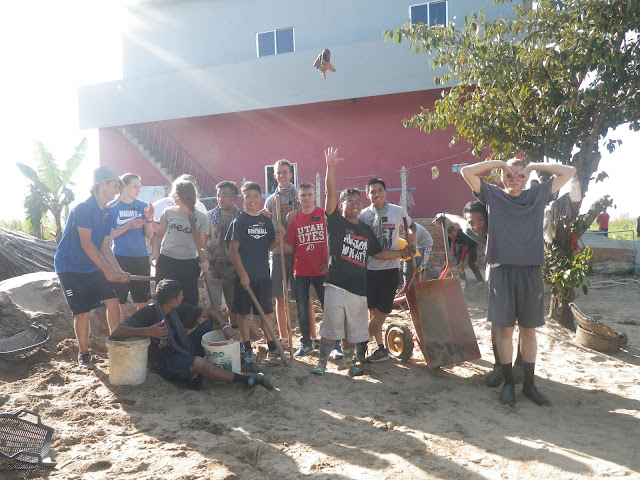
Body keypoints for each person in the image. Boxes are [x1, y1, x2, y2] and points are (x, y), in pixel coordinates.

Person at [461, 158, 576, 406]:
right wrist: (500, 163)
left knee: (528, 330)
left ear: (527, 178)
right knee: (504, 329)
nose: (514, 179)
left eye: (520, 176)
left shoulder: (538, 194)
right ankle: (508, 384)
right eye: (509, 175)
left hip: (530, 271)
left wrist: (533, 167)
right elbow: (466, 171)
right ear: (501, 176)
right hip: (501, 271)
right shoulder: (492, 194)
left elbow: (569, 171)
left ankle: (530, 385)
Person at [311, 147, 410, 377]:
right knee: (331, 329)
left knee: (352, 332)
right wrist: (330, 168)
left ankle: (350, 364)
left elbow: (378, 253)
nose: (355, 205)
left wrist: (402, 253)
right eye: (349, 201)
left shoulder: (365, 229)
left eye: (357, 201)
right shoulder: (335, 222)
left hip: (358, 288)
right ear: (342, 205)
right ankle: (321, 364)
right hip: (336, 285)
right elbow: (330, 194)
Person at [110, 279, 273, 390]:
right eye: (180, 296)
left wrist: (225, 327)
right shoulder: (148, 312)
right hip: (162, 361)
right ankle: (246, 380)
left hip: (182, 346)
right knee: (199, 364)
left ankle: (237, 363)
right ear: (172, 301)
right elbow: (117, 331)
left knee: (214, 324)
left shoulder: (177, 307)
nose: (183, 297)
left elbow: (210, 312)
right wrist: (148, 331)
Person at [435, 201, 525, 388]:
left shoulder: (501, 230)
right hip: (497, 279)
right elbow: (461, 221)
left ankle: (520, 365)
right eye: (472, 221)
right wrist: (444, 215)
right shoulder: (472, 230)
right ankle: (499, 366)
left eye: (480, 220)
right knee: (497, 322)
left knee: (523, 323)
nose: (476, 225)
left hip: (522, 276)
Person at [54, 166, 131, 370]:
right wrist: (107, 272)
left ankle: (116, 344)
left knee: (112, 301)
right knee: (83, 313)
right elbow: (86, 244)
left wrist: (118, 270)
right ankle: (84, 354)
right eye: (115, 186)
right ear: (101, 184)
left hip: (91, 265)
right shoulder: (83, 209)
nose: (117, 191)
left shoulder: (107, 213)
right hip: (70, 267)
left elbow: (105, 246)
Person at [357, 178, 416, 363]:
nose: (377, 194)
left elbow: (411, 226)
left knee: (384, 310)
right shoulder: (363, 216)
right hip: (369, 269)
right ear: (367, 195)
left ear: (385, 192)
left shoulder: (398, 211)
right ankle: (380, 348)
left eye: (380, 190)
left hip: (390, 268)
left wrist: (411, 236)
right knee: (373, 311)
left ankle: (361, 342)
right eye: (372, 191)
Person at [227, 181, 285, 364]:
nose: (252, 200)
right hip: (245, 277)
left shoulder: (266, 221)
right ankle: (247, 349)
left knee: (266, 313)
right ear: (243, 198)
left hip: (263, 275)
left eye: (255, 196)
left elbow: (269, 247)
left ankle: (272, 347)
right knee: (243, 314)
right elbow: (233, 250)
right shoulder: (239, 222)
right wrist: (243, 274)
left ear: (260, 198)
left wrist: (278, 239)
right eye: (248, 196)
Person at [282, 183, 328, 357]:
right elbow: (292, 247)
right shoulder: (294, 220)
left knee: (328, 307)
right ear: (298, 198)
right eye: (303, 195)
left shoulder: (324, 215)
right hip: (300, 271)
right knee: (301, 309)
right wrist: (280, 241)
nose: (307, 198)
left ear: (315, 196)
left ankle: (334, 343)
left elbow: (335, 239)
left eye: (309, 194)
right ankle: (306, 343)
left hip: (322, 270)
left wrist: (330, 261)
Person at [260, 159, 300, 347]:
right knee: (279, 296)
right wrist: (266, 217)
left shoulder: (298, 195)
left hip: (298, 250)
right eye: (279, 172)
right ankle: (284, 337)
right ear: (274, 175)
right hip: (278, 252)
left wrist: (298, 212)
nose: (282, 175)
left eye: (285, 172)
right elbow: (267, 228)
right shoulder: (270, 200)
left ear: (291, 174)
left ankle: (310, 337)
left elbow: (308, 214)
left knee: (303, 296)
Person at [152, 178, 210, 306]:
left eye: (175, 193)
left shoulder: (201, 217)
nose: (172, 196)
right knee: (163, 298)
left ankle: (186, 320)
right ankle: (164, 320)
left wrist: (205, 260)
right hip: (167, 260)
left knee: (189, 299)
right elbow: (158, 236)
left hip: (189, 263)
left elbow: (202, 244)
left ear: (181, 195)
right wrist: (155, 253)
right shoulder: (169, 212)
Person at [109, 173, 154, 321]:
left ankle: (141, 326)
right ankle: (121, 328)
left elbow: (149, 234)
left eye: (139, 187)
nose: (138, 190)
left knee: (142, 298)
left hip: (141, 257)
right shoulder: (112, 207)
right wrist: (128, 226)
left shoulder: (143, 206)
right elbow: (108, 235)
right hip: (120, 257)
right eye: (135, 186)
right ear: (124, 186)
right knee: (119, 299)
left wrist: (148, 219)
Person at [207, 181, 241, 329]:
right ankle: (214, 336)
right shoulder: (209, 217)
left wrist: (237, 271)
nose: (220, 199)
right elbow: (202, 244)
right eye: (218, 195)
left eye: (224, 195)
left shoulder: (241, 219)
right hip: (212, 267)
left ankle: (235, 336)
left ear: (234, 197)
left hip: (234, 268)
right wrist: (213, 263)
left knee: (234, 305)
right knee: (213, 306)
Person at [400, 222, 433, 287]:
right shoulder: (406, 230)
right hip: (418, 245)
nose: (401, 228)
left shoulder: (413, 230)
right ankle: (418, 284)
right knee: (416, 266)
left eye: (401, 226)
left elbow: (412, 246)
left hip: (426, 244)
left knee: (421, 266)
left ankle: (423, 285)